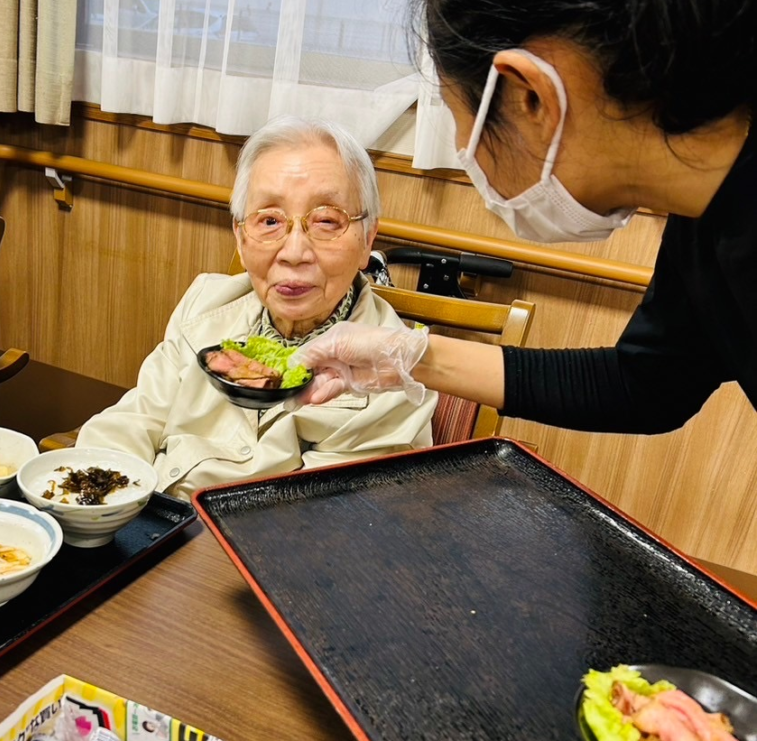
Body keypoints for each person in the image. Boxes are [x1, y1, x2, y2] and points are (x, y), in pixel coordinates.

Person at [293, 0, 756, 436]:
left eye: (459, 118)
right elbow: (649, 384)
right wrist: (409, 357)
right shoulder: (701, 220)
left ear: (529, 96)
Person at [77, 116, 437, 500]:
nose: (294, 252)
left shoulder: (393, 375)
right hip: (146, 518)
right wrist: (97, 505)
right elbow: (133, 421)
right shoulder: (206, 304)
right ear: (240, 237)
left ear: (367, 241)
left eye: (327, 221)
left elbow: (321, 522)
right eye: (269, 220)